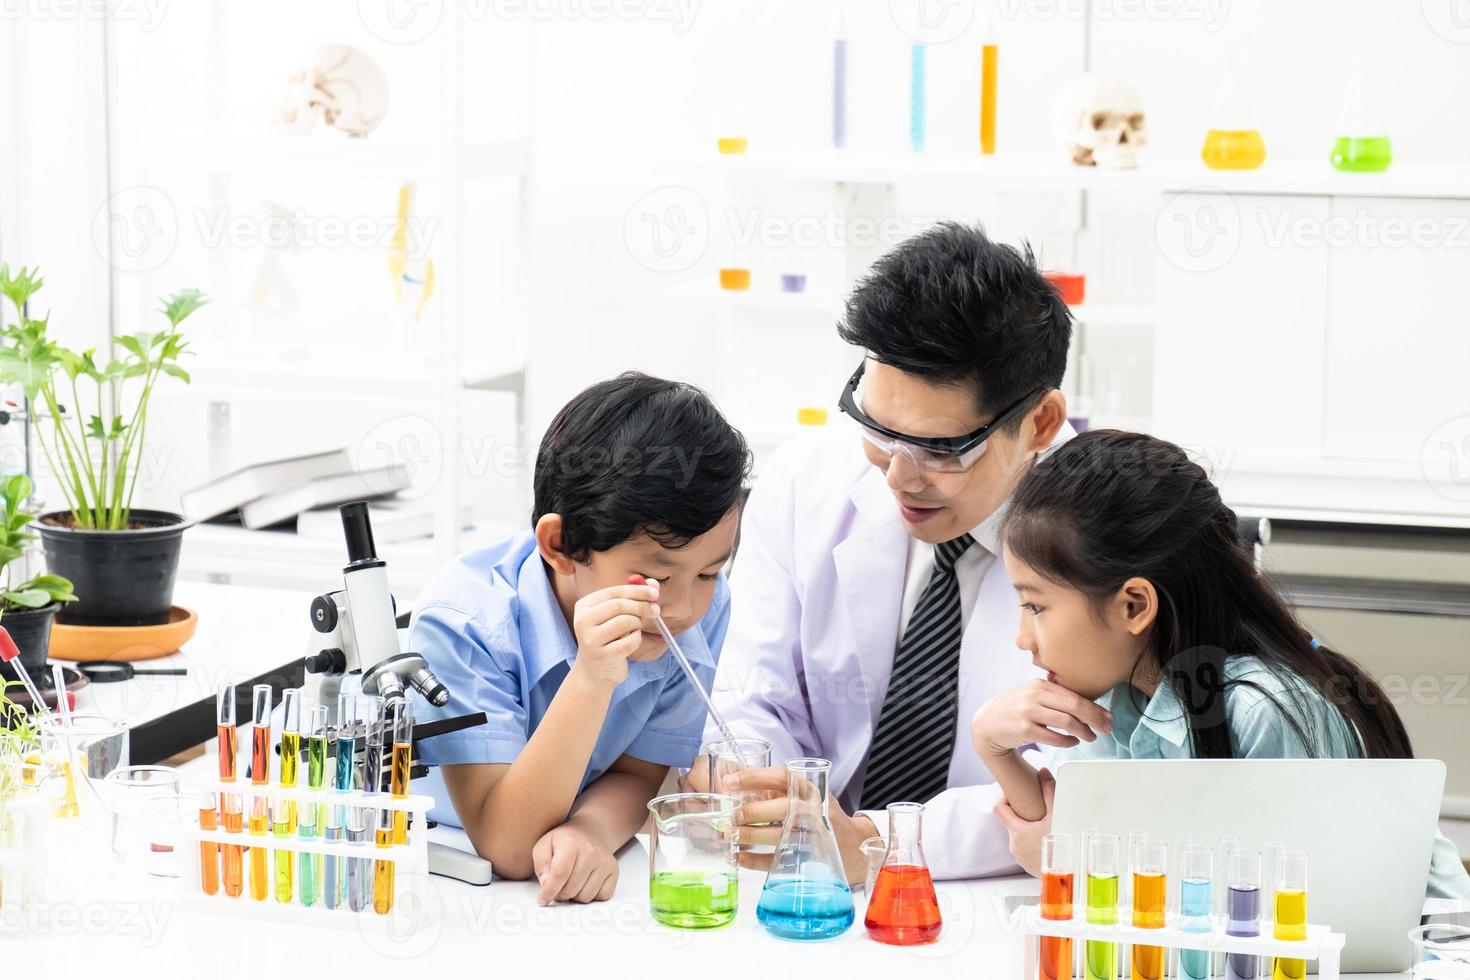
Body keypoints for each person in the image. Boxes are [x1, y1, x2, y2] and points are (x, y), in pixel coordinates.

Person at [684, 222, 1074, 882]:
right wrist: (775, 796)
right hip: (808, 879)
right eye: (877, 430)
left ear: (1038, 423)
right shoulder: (806, 482)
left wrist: (872, 841)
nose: (898, 476)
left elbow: (1083, 782)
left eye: (940, 450)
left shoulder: (1104, 534)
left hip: (996, 889)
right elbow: (756, 694)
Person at [972, 429, 1470, 899]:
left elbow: (1284, 917)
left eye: (1036, 607)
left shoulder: (1263, 709)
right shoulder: (1114, 702)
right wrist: (993, 748)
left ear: (1134, 606)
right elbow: (1056, 831)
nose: (1023, 639)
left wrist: (1071, 868)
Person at [410, 373, 750, 903]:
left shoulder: (705, 604)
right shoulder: (463, 623)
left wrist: (590, 829)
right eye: (657, 579)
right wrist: (591, 678)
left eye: (708, 573)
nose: (683, 609)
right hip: (441, 871)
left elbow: (638, 768)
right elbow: (508, 846)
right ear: (561, 544)